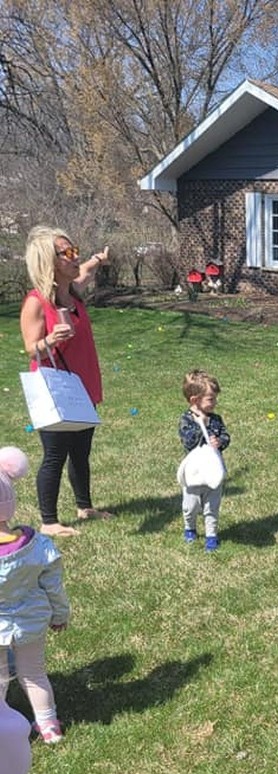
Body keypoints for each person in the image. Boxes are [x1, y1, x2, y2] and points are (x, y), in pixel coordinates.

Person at [20, 226, 112, 536]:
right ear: (50, 262)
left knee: (81, 452)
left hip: (82, 386)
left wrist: (99, 258)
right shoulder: (36, 302)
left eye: (76, 251)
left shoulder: (73, 291)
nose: (77, 258)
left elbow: (86, 269)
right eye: (69, 253)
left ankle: (85, 507)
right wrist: (49, 340)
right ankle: (48, 522)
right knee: (55, 454)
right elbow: (31, 349)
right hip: (54, 389)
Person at [0, 446, 70, 745]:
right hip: (32, 621)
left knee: (1, 679)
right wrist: (60, 614)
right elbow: (54, 584)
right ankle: (49, 725)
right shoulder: (37, 545)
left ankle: (5, 729)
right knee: (34, 674)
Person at [179, 370, 230, 552]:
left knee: (211, 506)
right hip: (194, 473)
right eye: (211, 399)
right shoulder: (186, 419)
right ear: (194, 400)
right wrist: (202, 426)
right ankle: (190, 528)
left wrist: (220, 442)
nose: (215, 403)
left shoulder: (215, 419)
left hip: (213, 472)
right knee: (191, 506)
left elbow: (225, 436)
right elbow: (189, 441)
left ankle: (211, 536)